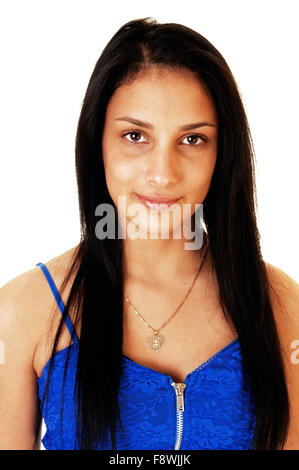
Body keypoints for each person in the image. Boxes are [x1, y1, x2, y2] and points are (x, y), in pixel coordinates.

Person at [0, 17, 298, 451]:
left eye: (193, 139)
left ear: (224, 152)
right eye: (135, 135)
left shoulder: (281, 305)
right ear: (96, 142)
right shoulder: (23, 313)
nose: (162, 173)